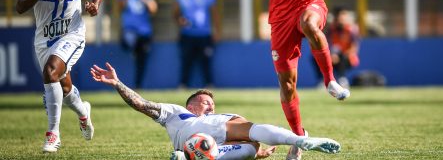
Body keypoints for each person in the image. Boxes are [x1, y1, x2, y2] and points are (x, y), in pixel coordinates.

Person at [244, 0, 408, 159]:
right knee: (287, 85)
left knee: (310, 24)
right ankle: (299, 137)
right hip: (281, 17)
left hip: (311, 5)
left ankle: (330, 80)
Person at [90, 62, 341, 160]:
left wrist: (262, 152)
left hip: (206, 145)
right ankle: (300, 140)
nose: (210, 105)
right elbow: (141, 104)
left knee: (252, 148)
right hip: (202, 135)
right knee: (247, 127)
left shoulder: (195, 119)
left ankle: (190, 157)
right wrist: (117, 84)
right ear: (190, 105)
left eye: (212, 104)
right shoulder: (176, 112)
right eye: (204, 101)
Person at [16, 0, 108, 153]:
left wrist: (95, 4)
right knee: (64, 88)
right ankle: (84, 112)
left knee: (50, 72)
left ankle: (53, 134)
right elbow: (19, 6)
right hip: (44, 39)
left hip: (72, 33)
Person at [174, 0, 220, 88]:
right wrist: (179, 20)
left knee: (206, 61)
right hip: (187, 34)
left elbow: (215, 14)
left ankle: (209, 84)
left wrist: (217, 31)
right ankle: (183, 85)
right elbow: (175, 14)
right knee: (186, 61)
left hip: (204, 34)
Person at [119, 0, 158, 89]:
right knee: (129, 41)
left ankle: (138, 85)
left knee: (142, 60)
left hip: (144, 32)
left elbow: (153, 9)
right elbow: (120, 6)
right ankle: (133, 50)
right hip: (129, 31)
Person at [313, 7, 360, 88]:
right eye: (339, 17)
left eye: (343, 17)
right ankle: (324, 80)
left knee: (343, 57)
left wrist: (340, 54)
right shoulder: (331, 30)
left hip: (347, 58)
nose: (340, 19)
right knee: (317, 57)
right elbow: (326, 44)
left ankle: (342, 79)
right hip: (332, 55)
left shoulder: (351, 30)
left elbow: (354, 48)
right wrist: (331, 54)